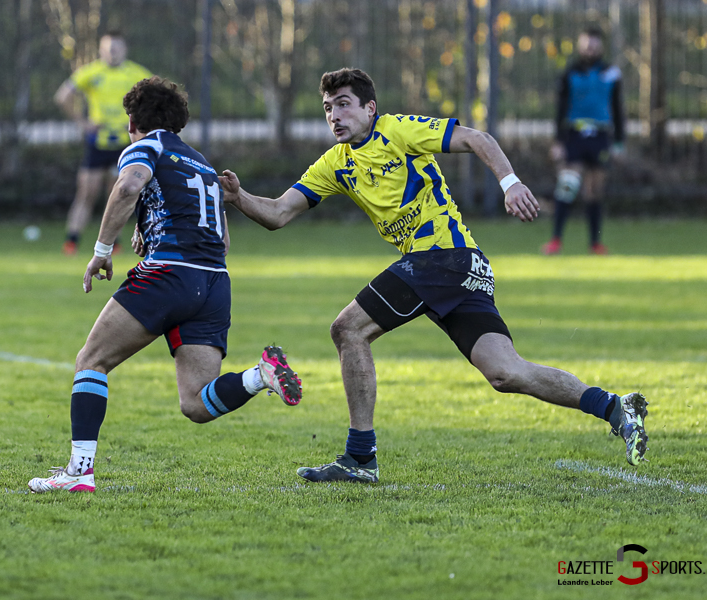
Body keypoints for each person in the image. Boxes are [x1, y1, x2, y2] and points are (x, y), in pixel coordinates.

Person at [218, 68, 647, 484]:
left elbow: (477, 138)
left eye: (344, 105)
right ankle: (614, 407)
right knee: (506, 373)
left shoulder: (397, 130)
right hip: (457, 267)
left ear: (370, 108)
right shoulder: (335, 164)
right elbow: (277, 213)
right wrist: (239, 198)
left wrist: (510, 183)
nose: (335, 115)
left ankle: (359, 458)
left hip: (443, 257)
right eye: (328, 107)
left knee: (348, 329)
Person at [29, 77, 302, 494]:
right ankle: (258, 376)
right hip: (214, 285)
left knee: (91, 361)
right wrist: (151, 231)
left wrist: (102, 249)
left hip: (169, 276)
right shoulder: (201, 164)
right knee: (196, 402)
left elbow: (128, 185)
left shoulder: (145, 146)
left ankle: (79, 472)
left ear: (135, 120)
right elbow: (221, 240)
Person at [54, 32, 153, 255]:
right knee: (87, 193)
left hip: (125, 144)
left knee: (120, 193)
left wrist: (143, 125)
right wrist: (82, 122)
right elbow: (62, 96)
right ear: (101, 50)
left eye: (116, 48)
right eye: (108, 48)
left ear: (124, 49)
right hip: (98, 142)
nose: (112, 52)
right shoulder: (92, 72)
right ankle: (72, 241)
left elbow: (159, 98)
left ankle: (114, 243)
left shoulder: (136, 73)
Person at [543, 26, 625, 256]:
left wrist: (619, 142)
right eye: (587, 44)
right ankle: (556, 240)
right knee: (567, 185)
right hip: (574, 135)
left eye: (594, 44)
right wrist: (558, 141)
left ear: (601, 46)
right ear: (580, 46)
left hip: (600, 136)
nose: (590, 48)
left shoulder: (611, 73)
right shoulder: (570, 72)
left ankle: (595, 243)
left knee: (594, 190)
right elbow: (560, 108)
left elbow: (618, 108)